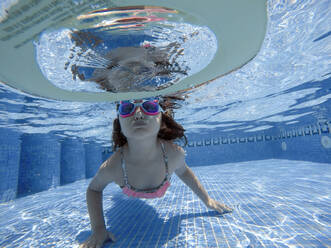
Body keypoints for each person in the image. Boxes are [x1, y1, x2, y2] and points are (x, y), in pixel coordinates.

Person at [79, 97, 232, 248]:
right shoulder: (114, 166)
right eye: (127, 109)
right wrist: (98, 229)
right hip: (128, 188)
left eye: (149, 107)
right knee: (118, 201)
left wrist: (207, 200)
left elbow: (184, 172)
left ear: (161, 118)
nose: (138, 114)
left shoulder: (173, 154)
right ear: (119, 122)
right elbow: (94, 189)